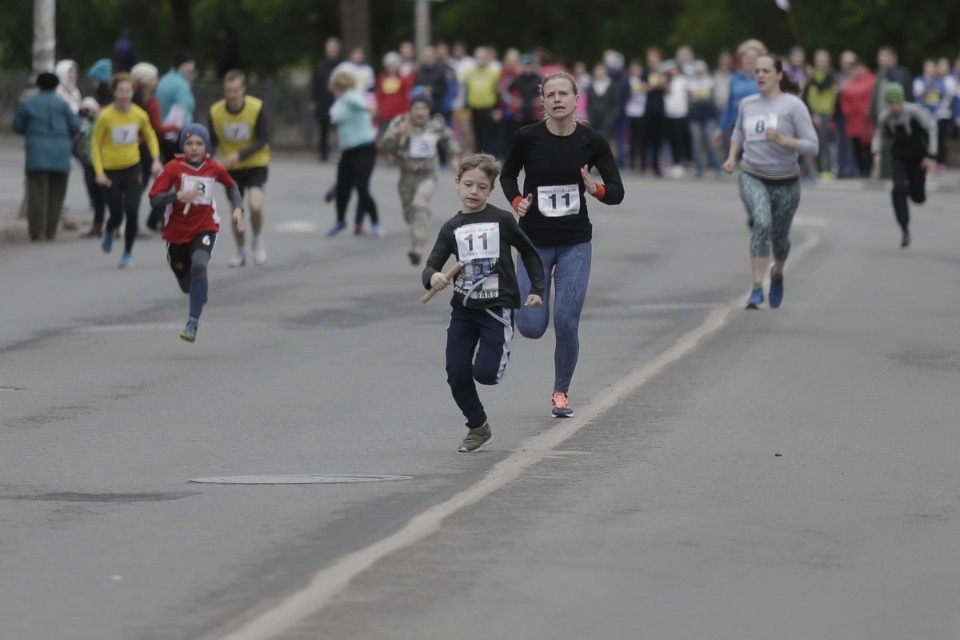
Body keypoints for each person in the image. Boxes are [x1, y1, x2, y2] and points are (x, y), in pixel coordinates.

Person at [500, 71, 625, 417]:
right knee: (531, 327)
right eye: (550, 94)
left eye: (562, 94)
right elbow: (507, 175)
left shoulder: (592, 141)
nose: (556, 100)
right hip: (533, 243)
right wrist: (516, 202)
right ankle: (511, 310)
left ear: (575, 98)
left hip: (574, 243)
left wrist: (594, 188)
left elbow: (617, 192)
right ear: (542, 99)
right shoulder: (527, 138)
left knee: (567, 320)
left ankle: (560, 392)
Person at [421, 153, 545, 453]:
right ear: (457, 185)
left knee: (485, 374)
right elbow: (430, 266)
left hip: (496, 309)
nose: (473, 191)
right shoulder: (452, 227)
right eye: (468, 185)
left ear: (490, 190)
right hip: (463, 309)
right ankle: (478, 426)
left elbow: (529, 252)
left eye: (481, 186)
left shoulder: (502, 219)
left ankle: (497, 353)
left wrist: (538, 287)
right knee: (456, 371)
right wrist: (434, 277)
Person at [722, 55, 819, 310]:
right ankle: (756, 287)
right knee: (762, 223)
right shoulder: (747, 104)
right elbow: (739, 131)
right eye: (757, 72)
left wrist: (786, 142)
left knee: (780, 238)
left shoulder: (794, 106)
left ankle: (777, 273)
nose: (760, 76)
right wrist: (732, 157)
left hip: (786, 182)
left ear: (778, 75)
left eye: (766, 71)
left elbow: (813, 146)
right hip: (752, 173)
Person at [148, 124, 245, 342]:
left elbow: (231, 185)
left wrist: (238, 207)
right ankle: (197, 290)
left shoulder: (213, 167)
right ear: (183, 145)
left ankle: (192, 323)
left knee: (200, 265)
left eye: (199, 144)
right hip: (176, 232)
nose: (194, 148)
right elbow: (154, 198)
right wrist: (179, 196)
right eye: (189, 143)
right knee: (187, 284)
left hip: (205, 226)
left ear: (206, 146)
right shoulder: (173, 167)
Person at [90, 72, 162, 268]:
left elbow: (151, 136)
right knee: (117, 214)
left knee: (132, 210)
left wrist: (155, 159)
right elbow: (95, 145)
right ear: (114, 92)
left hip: (133, 168)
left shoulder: (139, 114)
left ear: (132, 93)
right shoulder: (105, 116)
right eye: (120, 91)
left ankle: (127, 253)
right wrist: (99, 172)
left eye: (128, 91)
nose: (124, 95)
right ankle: (109, 229)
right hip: (111, 170)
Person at [380, 94, 462, 265]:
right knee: (410, 213)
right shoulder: (401, 123)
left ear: (429, 111)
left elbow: (450, 142)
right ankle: (421, 221)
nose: (420, 112)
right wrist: (398, 134)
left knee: (419, 203)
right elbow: (386, 147)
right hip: (407, 174)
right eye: (416, 108)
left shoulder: (435, 125)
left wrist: (455, 158)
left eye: (424, 109)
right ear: (411, 109)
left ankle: (417, 246)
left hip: (428, 174)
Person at [209, 69, 272, 266]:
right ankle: (240, 251)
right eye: (228, 90)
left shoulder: (256, 107)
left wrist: (239, 155)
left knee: (255, 205)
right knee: (237, 211)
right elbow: (211, 141)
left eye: (235, 90)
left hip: (256, 164)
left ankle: (258, 240)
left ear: (243, 89)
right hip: (231, 169)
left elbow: (264, 138)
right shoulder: (216, 112)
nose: (231, 95)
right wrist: (207, 160)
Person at [12, 72, 81, 241]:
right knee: (57, 193)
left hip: (36, 151)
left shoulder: (27, 103)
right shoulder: (63, 104)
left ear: (38, 85)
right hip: (61, 151)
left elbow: (17, 126)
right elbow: (75, 126)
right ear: (56, 85)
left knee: (37, 193)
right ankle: (51, 231)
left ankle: (38, 231)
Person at [871, 83, 938, 249]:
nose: (895, 107)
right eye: (891, 103)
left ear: (902, 101)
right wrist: (877, 153)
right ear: (887, 103)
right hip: (899, 156)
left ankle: (911, 190)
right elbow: (880, 135)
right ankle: (904, 228)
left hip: (918, 156)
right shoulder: (884, 117)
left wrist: (931, 155)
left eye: (897, 102)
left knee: (918, 198)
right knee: (898, 189)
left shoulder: (914, 112)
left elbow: (932, 127)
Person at [326, 68, 381, 237]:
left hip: (364, 148)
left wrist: (369, 109)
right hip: (348, 151)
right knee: (343, 188)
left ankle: (375, 222)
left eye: (335, 87)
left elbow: (360, 103)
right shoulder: (340, 101)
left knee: (362, 188)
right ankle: (340, 220)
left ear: (339, 87)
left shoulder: (350, 96)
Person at [155, 50, 197, 161]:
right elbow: (181, 113)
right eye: (190, 65)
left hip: (164, 134)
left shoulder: (164, 79)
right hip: (178, 136)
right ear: (182, 65)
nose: (192, 69)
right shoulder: (181, 85)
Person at [309, 37, 344, 163]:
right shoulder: (320, 65)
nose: (331, 51)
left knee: (339, 129)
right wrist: (313, 99)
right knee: (323, 130)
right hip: (323, 101)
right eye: (329, 49)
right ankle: (323, 154)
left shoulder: (342, 65)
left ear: (338, 50)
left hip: (338, 101)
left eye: (333, 49)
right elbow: (315, 83)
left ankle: (340, 153)